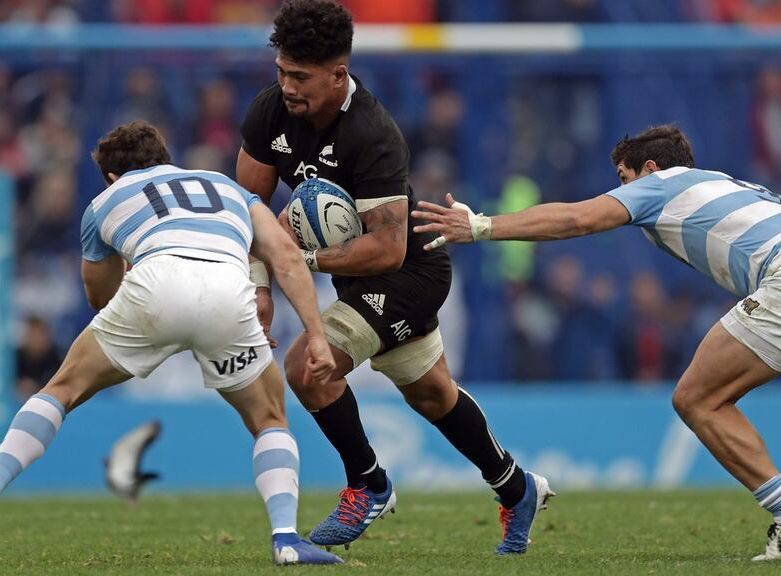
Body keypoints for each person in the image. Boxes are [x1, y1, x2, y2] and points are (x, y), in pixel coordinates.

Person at [412, 124, 781, 561]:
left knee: (697, 399)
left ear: (648, 169)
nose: (622, 192)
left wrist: (480, 226)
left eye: (623, 178)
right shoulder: (722, 182)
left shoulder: (659, 185)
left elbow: (578, 220)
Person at [0, 121, 343, 566]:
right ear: (165, 159)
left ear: (110, 175)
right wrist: (315, 335)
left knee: (60, 389)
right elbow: (286, 255)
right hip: (228, 289)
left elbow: (98, 296)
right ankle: (286, 540)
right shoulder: (226, 187)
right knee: (269, 419)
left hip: (153, 283)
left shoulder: (104, 201)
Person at [236, 0, 553, 555]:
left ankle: (369, 484)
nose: (287, 86)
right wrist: (261, 285)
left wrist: (299, 261)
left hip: (411, 272)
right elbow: (250, 208)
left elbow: (385, 249)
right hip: (353, 278)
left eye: (301, 77)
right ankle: (516, 486)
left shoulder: (374, 133)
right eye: (282, 71)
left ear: (340, 74)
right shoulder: (269, 113)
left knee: (308, 368)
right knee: (432, 396)